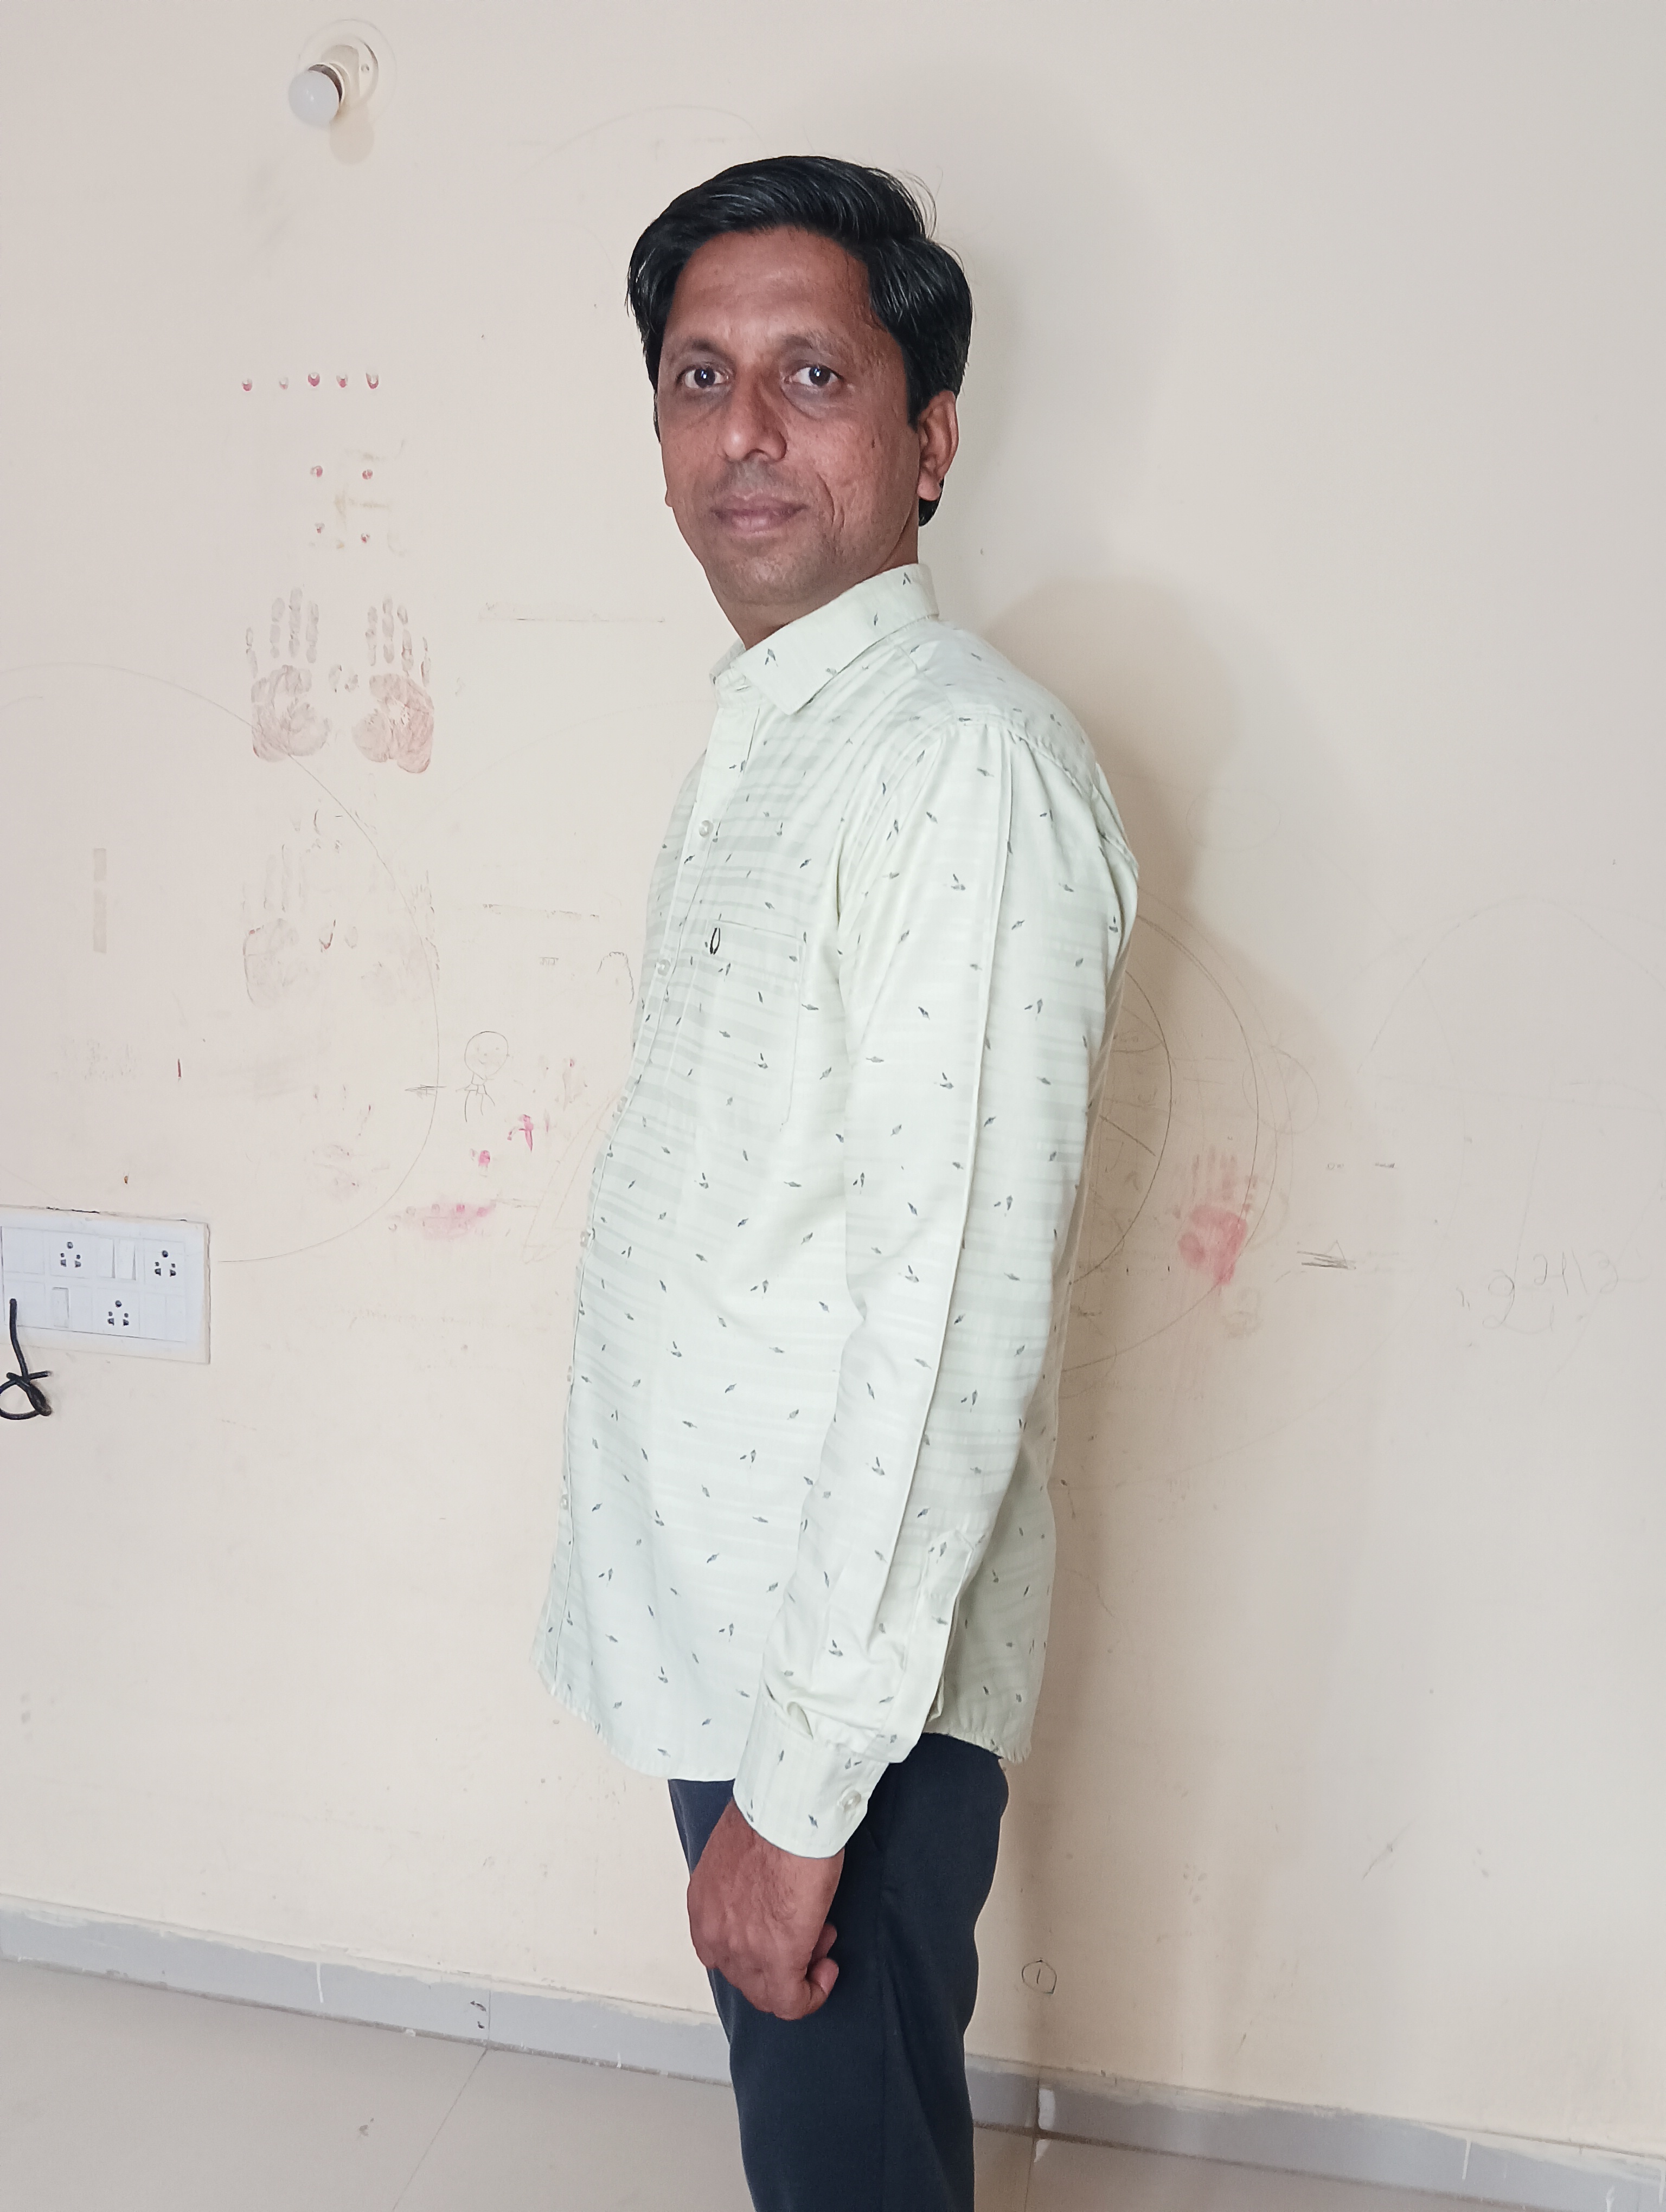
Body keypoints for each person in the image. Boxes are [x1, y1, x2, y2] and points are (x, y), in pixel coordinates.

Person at [533, 155, 1137, 2211]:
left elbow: (949, 1320)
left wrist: (800, 1798)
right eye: (699, 377)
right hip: (747, 1624)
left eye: (813, 373)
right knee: (835, 2144)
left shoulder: (958, 763)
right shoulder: (785, 733)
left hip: (838, 1685)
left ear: (929, 438)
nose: (744, 433)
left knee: (845, 2166)